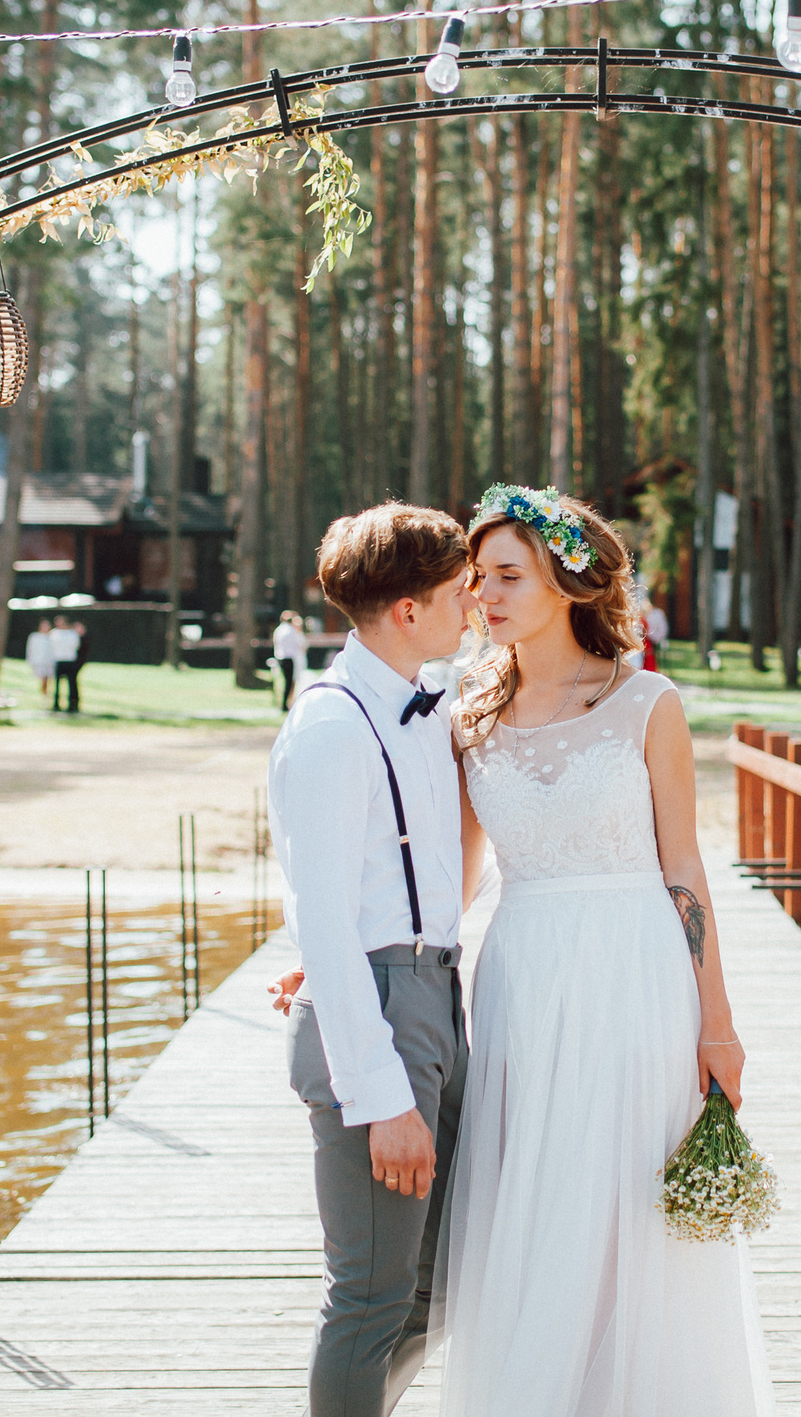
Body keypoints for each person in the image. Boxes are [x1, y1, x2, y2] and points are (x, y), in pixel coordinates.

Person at [440, 485, 768, 1413]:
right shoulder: (470, 717)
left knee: (627, 1206)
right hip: (522, 980)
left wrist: (718, 1024)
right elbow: (455, 888)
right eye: (478, 578)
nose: (485, 595)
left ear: (568, 580)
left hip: (636, 975)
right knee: (536, 1204)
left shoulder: (647, 704)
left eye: (508, 574)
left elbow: (686, 870)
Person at [267, 503, 478, 1417]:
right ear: (407, 611)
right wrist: (382, 1093)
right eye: (459, 593)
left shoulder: (421, 705)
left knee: (436, 1288)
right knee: (368, 1297)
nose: (472, 608)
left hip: (436, 996)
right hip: (379, 1024)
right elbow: (323, 911)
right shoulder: (331, 727)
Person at [273, 607, 308, 711]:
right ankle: (285, 704)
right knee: (289, 682)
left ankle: (285, 702)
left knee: (287, 681)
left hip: (280, 657)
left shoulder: (278, 630)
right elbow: (298, 644)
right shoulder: (290, 631)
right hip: (289, 657)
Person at [49, 616, 82, 712]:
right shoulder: (54, 633)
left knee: (72, 684)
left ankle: (73, 704)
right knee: (57, 684)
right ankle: (56, 704)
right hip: (58, 660)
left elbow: (76, 646)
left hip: (70, 661)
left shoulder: (72, 634)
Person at [25, 620, 56, 701]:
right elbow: (30, 649)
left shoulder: (52, 637)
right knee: (42, 677)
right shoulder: (34, 636)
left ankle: (46, 693)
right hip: (38, 661)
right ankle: (44, 693)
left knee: (47, 678)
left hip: (49, 661)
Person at [641, 594, 671, 673]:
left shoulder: (657, 614)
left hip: (650, 640)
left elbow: (662, 628)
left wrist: (654, 637)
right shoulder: (641, 615)